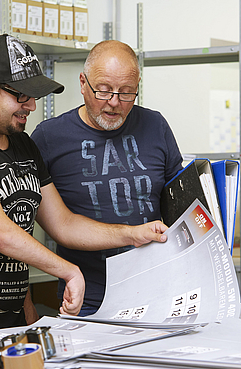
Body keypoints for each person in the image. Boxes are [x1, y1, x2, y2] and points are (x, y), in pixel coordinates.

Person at [0, 34, 169, 341]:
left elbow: (63, 223)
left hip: (7, 324)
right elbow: (2, 234)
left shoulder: (23, 145)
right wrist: (69, 270)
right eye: (20, 95)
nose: (31, 106)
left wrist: (130, 233)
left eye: (33, 96)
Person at [31, 40, 184, 316]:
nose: (114, 103)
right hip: (88, 298)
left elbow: (179, 200)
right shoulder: (48, 138)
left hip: (159, 291)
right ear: (83, 83)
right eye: (103, 91)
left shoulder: (155, 125)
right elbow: (55, 224)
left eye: (127, 93)